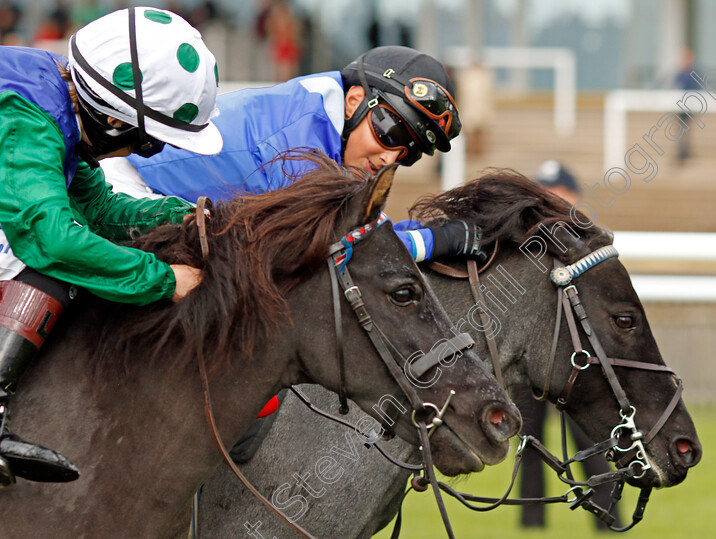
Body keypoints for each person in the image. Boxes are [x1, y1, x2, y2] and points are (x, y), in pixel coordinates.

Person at [0, 6, 222, 488]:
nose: (152, 153)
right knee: (46, 266)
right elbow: (51, 237)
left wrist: (176, 216)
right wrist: (163, 280)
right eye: (151, 144)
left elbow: (98, 210)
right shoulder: (26, 114)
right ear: (112, 120)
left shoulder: (54, 98)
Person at [104, 45, 484, 265]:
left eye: (410, 152)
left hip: (168, 196)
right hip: (125, 190)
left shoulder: (329, 119)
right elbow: (326, 255)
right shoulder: (303, 139)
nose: (391, 158)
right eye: (390, 132)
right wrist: (433, 243)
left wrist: (432, 233)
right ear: (355, 101)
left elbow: (367, 230)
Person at [515, 161, 622, 530]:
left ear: (573, 196)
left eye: (557, 192)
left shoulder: (589, 245)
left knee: (588, 437)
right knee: (529, 441)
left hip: (578, 359)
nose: (550, 200)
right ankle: (532, 521)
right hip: (530, 360)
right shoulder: (523, 246)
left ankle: (607, 517)